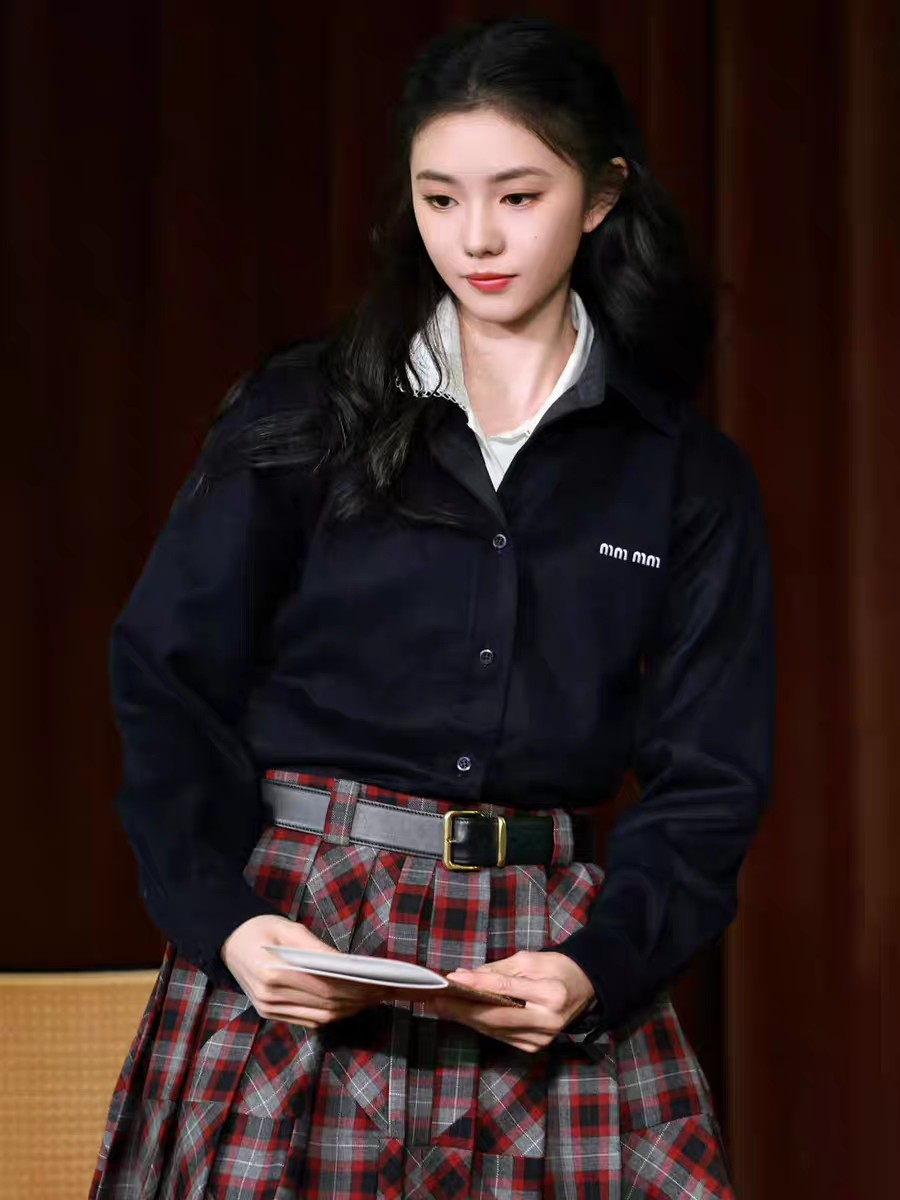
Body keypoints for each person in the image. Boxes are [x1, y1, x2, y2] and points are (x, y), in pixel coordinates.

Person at [90, 14, 775, 1199]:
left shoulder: (685, 474)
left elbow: (711, 774)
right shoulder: (303, 410)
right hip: (299, 930)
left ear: (601, 195)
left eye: (519, 196)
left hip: (544, 956)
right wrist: (231, 924)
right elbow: (164, 679)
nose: (477, 238)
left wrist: (598, 967)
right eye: (440, 197)